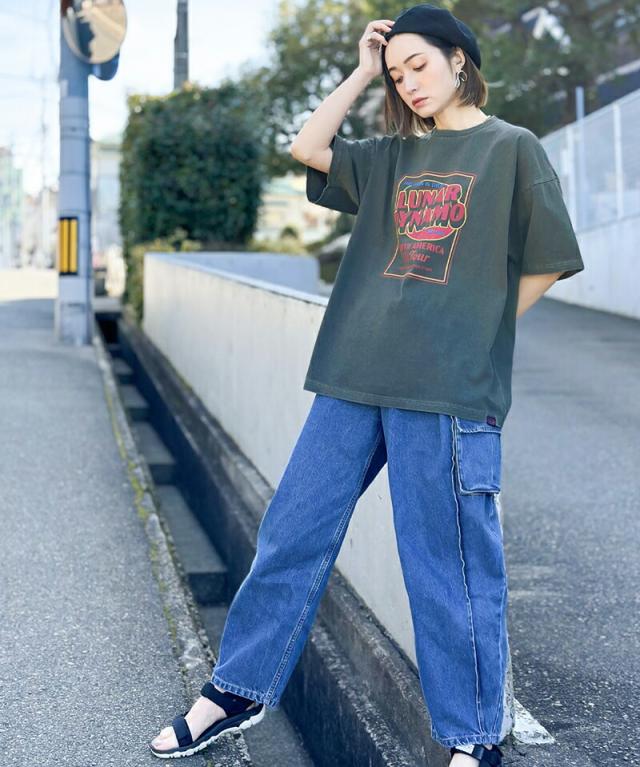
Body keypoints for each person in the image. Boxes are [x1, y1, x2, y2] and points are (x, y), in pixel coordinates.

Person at [149, 4, 585, 765]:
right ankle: (237, 689)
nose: (408, 82)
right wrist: (360, 70)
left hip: (446, 389)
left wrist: (479, 328)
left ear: (458, 59)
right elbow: (307, 147)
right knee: (292, 531)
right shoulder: (389, 156)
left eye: (420, 64)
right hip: (354, 374)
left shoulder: (511, 149)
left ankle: (474, 738)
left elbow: (549, 258)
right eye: (396, 73)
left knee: (446, 565)